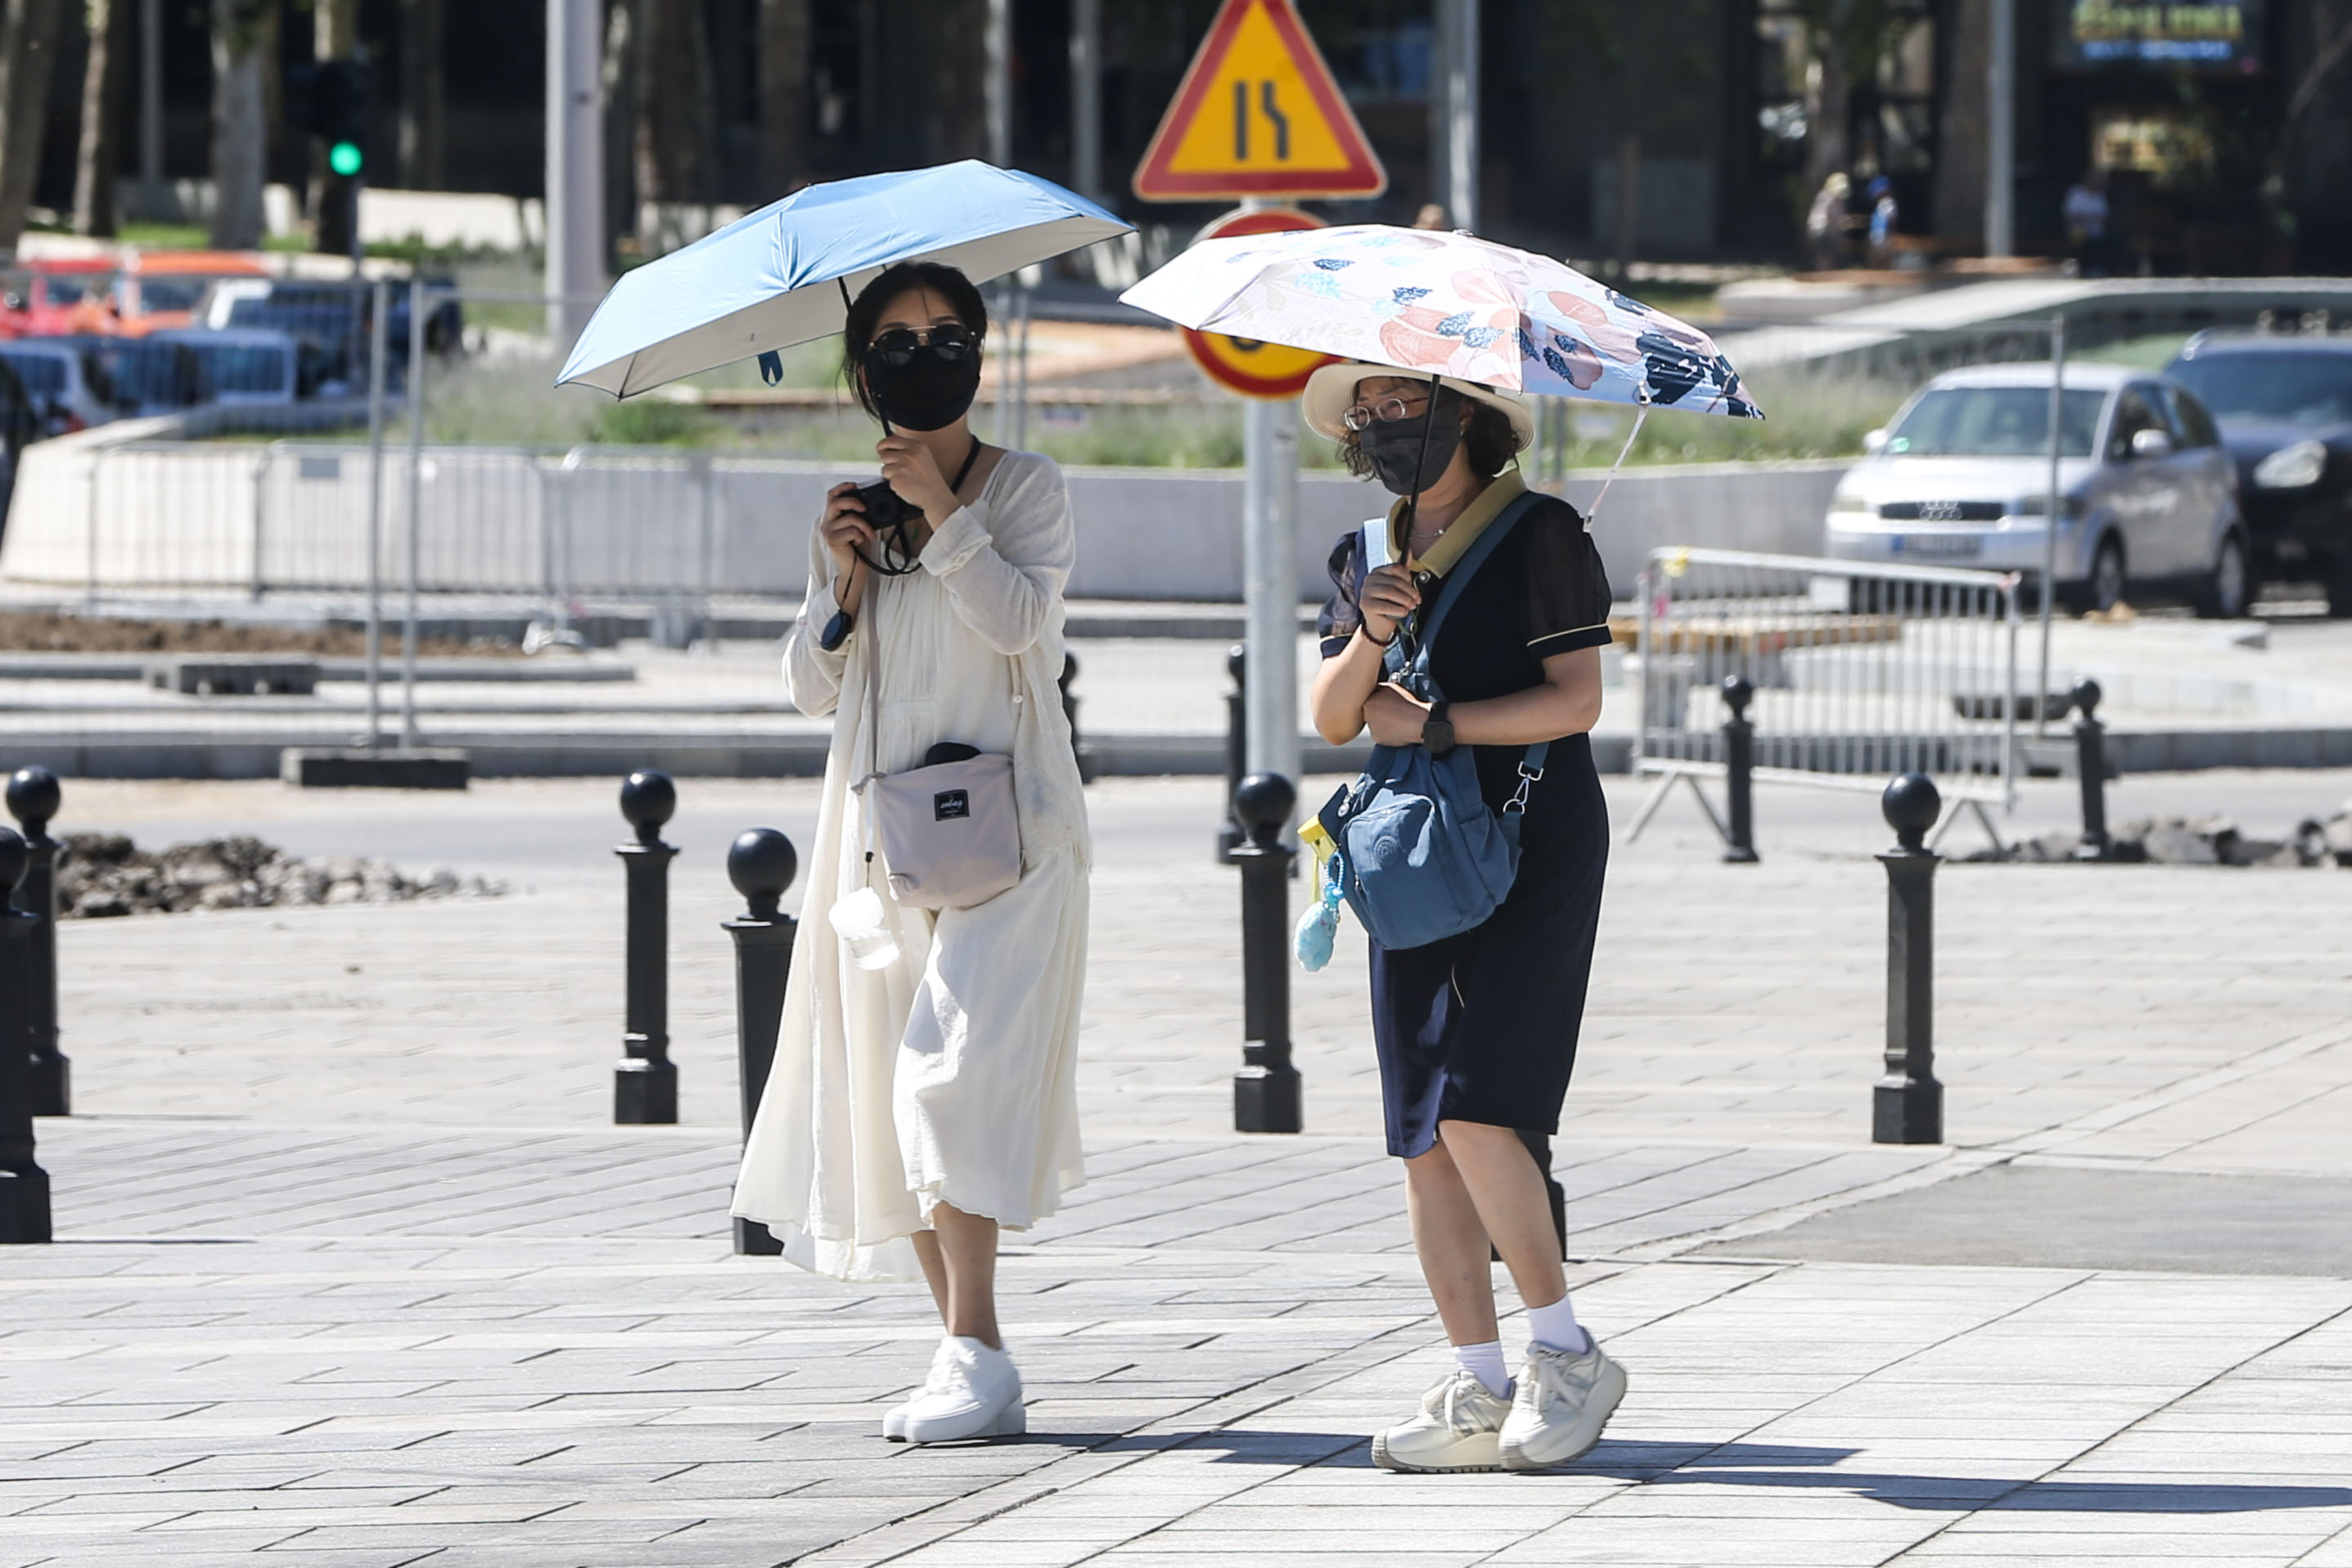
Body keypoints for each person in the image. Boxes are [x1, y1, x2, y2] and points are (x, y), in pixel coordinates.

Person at [731, 260, 1090, 1446]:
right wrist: (839, 587)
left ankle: (975, 1348)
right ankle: (968, 1353)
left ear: (982, 353)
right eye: (897, 341)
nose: (925, 355)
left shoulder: (1023, 490)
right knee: (897, 1098)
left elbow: (1021, 627)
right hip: (887, 838)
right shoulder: (850, 509)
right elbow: (806, 687)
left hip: (1015, 830)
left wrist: (946, 510)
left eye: (948, 335)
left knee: (954, 1077)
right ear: (862, 368)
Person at [1305, 361, 1622, 1473]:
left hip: (1533, 838)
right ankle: (1478, 1383)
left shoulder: (1543, 536)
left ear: (1474, 418)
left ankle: (1568, 1355)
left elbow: (1577, 702)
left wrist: (1438, 726)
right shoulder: (1366, 552)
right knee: (1426, 1140)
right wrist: (1371, 633)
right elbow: (1339, 716)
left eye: (1412, 403)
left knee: (1487, 1111)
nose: (1391, 424)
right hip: (1412, 849)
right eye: (1375, 409)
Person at [2064, 171, 2111, 277]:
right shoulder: (2076, 194)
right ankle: (2081, 270)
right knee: (2082, 243)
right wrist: (2091, 218)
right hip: (2078, 232)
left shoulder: (2100, 195)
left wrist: (2088, 217)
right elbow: (2072, 216)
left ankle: (2098, 269)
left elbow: (2105, 216)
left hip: (2098, 233)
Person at [1805, 171, 1850, 272]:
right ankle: (1825, 273)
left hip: (1818, 230)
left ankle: (1825, 272)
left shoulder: (1824, 196)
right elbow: (1831, 219)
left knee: (1824, 254)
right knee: (1826, 253)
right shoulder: (1829, 198)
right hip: (1823, 231)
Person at [1866, 174, 1899, 269]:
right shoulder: (1881, 204)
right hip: (1877, 235)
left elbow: (1891, 220)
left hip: (1885, 236)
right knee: (1876, 258)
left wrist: (1891, 235)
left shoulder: (1889, 203)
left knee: (1885, 258)